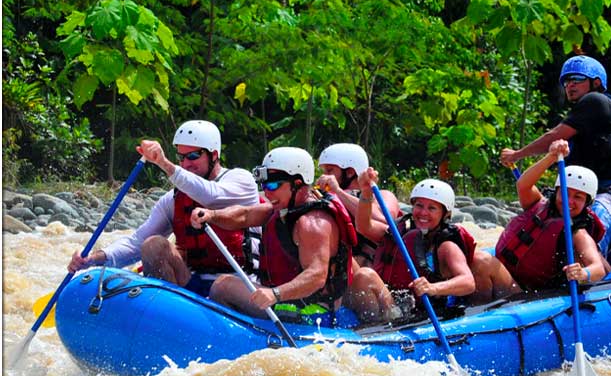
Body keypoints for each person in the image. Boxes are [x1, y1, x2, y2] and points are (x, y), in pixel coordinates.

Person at [67, 120, 261, 297]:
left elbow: (211, 196)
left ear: (214, 155)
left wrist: (163, 163)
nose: (186, 164)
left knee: (223, 287)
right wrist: (92, 259)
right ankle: (170, 311)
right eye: (181, 157)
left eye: (193, 156)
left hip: (237, 286)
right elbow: (136, 243)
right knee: (153, 245)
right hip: (193, 285)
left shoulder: (240, 181)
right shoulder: (173, 200)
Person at [189, 146, 360, 327]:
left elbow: (316, 276)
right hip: (289, 300)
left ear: (298, 184)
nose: (267, 192)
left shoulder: (312, 224)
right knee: (224, 284)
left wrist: (275, 294)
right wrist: (212, 215)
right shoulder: (283, 210)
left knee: (223, 286)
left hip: (312, 311)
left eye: (273, 185)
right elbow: (245, 215)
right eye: (264, 185)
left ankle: (237, 336)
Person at [500, 55, 611, 256]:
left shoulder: (596, 101)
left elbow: (554, 136)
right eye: (566, 81)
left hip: (610, 195)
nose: (570, 85)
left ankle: (591, 272)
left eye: (577, 79)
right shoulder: (584, 118)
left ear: (596, 82)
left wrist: (518, 155)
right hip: (577, 197)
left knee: (588, 227)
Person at [342, 168, 519, 322]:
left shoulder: (446, 245)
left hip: (420, 313)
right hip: (397, 305)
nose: (423, 213)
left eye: (432, 208)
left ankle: (375, 331)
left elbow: (467, 282)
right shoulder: (401, 232)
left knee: (365, 274)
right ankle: (370, 328)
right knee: (364, 275)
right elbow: (364, 226)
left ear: (444, 213)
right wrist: (366, 193)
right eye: (419, 205)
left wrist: (433, 288)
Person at [496, 139, 611, 291]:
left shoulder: (578, 232)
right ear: (556, 191)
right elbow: (523, 184)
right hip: (509, 277)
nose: (568, 201)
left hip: (533, 294)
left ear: (587, 203)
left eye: (578, 197)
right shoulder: (537, 204)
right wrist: (552, 156)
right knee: (481, 260)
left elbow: (597, 268)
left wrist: (583, 273)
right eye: (564, 193)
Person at [316, 143, 401, 267]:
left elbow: (384, 220)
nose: (324, 176)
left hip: (371, 269)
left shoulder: (383, 195)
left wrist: (338, 192)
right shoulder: (327, 197)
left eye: (329, 170)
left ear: (350, 172)